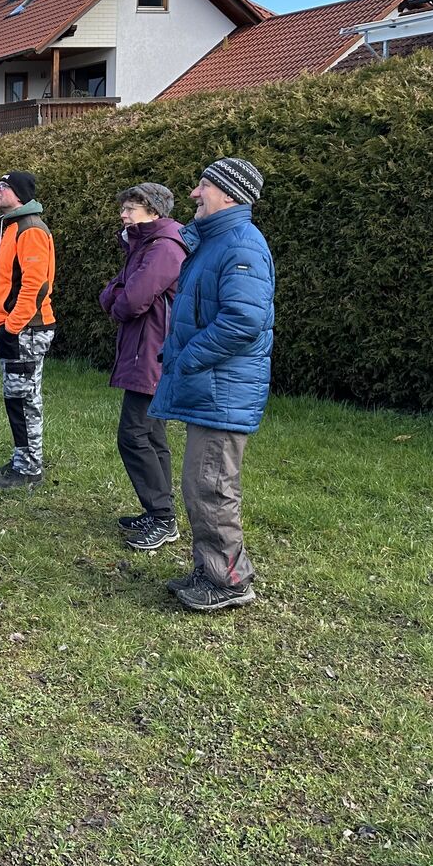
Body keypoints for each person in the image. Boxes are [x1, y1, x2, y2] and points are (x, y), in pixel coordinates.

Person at [150, 158, 275, 612]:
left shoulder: (242, 245)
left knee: (213, 484)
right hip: (213, 386)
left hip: (223, 389)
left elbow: (244, 321)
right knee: (201, 482)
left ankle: (229, 581)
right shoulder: (215, 242)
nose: (193, 194)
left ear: (229, 194)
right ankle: (211, 568)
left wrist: (188, 356)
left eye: (203, 185)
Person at [98, 183, 187, 552]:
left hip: (152, 353)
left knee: (133, 435)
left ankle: (163, 517)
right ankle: (160, 513)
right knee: (152, 435)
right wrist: (117, 295)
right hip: (145, 350)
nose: (124, 213)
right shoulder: (143, 246)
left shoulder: (164, 248)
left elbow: (130, 299)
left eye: (131, 207)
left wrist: (118, 298)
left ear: (153, 210)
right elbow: (115, 291)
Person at [0, 171, 56, 491]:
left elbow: (35, 287)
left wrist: (10, 328)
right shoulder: (12, 227)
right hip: (15, 328)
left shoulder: (30, 229)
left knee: (25, 399)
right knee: (16, 398)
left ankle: (29, 468)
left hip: (27, 329)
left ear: (19, 194)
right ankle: (22, 459)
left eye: (3, 187)